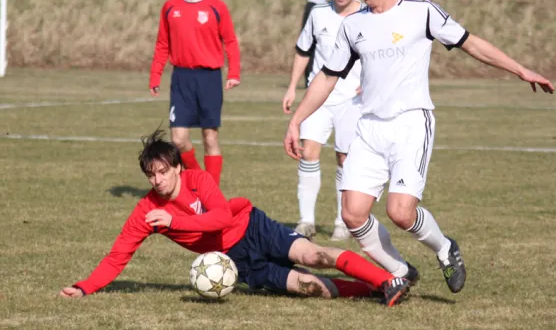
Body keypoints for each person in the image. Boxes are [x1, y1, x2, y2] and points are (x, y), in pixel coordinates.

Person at [284, 0, 555, 294]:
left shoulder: (422, 13)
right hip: (369, 127)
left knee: (401, 213)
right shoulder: (354, 25)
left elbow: (471, 44)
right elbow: (327, 76)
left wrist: (520, 69)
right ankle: (401, 271)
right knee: (352, 215)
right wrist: (297, 120)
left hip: (410, 124)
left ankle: (445, 248)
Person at [58, 128, 412, 307]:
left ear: (178, 168)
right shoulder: (146, 212)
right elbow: (118, 255)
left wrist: (175, 223)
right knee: (310, 287)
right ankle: (371, 289)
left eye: (163, 172)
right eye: (151, 175)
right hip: (236, 260)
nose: (157, 180)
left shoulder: (198, 180)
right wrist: (85, 286)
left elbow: (221, 219)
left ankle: (388, 281)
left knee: (314, 256)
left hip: (253, 228)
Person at [283, 0, 363, 241]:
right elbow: (303, 51)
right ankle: (306, 221)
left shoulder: (367, 16)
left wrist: (370, 82)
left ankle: (342, 222)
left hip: (352, 100)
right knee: (308, 154)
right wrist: (293, 87)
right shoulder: (318, 13)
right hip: (318, 98)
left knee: (344, 158)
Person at [148, 0, 241, 186]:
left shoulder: (217, 7)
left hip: (209, 78)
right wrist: (155, 74)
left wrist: (234, 73)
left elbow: (230, 41)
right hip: (181, 77)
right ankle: (200, 180)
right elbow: (162, 44)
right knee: (178, 139)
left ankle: (212, 192)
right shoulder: (170, 7)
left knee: (210, 137)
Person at [301, 0, 332, 88]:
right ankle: (309, 82)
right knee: (310, 57)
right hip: (313, 34)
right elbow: (309, 19)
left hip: (320, 33)